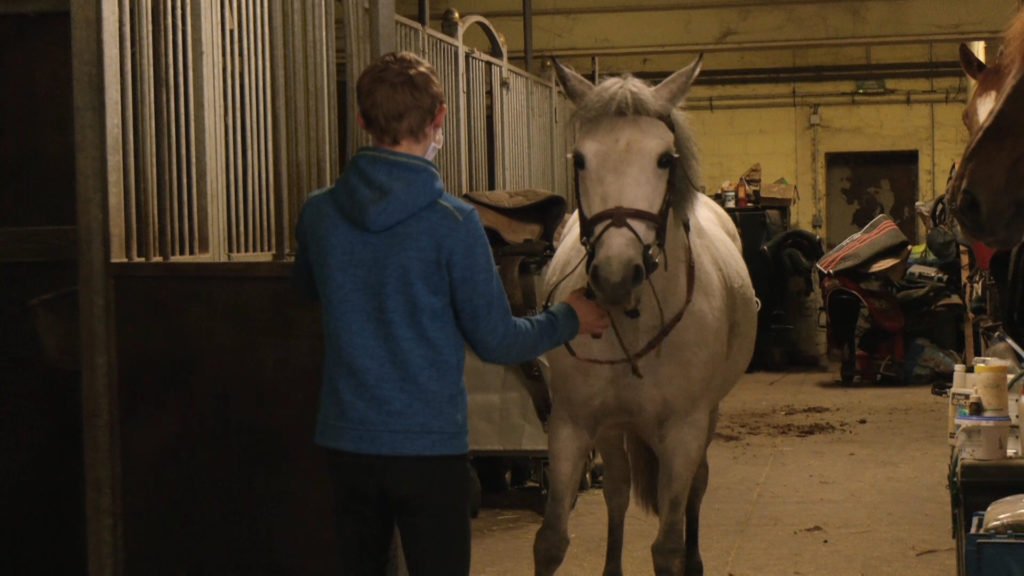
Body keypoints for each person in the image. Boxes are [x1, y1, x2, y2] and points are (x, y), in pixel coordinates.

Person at [292, 51, 609, 576]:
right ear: (440, 119)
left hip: (347, 441)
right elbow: (498, 341)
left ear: (362, 120)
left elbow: (306, 291)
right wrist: (568, 316)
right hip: (429, 447)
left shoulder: (319, 212)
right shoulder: (453, 223)